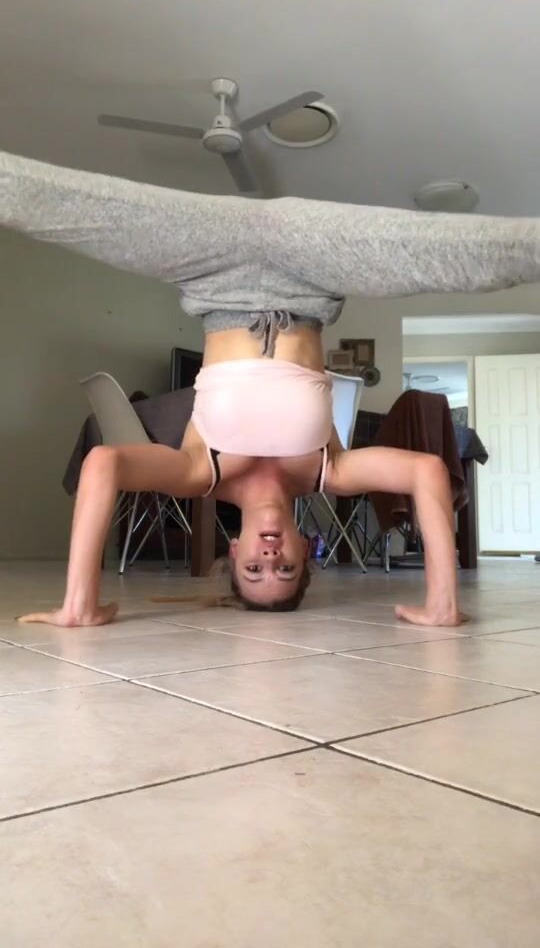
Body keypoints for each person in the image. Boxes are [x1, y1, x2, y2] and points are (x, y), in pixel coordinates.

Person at [2, 149, 540, 626]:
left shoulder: (198, 472)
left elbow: (103, 464)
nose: (269, 556)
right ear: (306, 550)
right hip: (311, 270)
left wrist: (80, 603)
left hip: (212, 270)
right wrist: (443, 601)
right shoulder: (331, 471)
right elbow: (426, 471)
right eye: (285, 568)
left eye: (254, 569)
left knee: (49, 203)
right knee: (468, 257)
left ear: (233, 551)